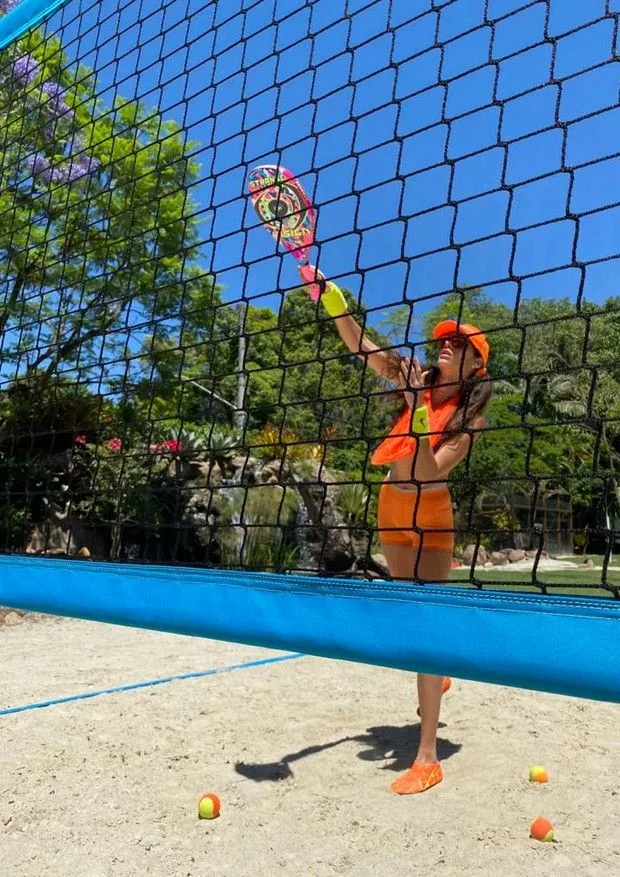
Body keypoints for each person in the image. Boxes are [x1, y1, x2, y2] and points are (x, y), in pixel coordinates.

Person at [298, 264, 492, 794]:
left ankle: (427, 755)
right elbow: (363, 349)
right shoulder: (413, 377)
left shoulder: (469, 413)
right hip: (392, 508)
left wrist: (417, 410)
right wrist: (332, 300)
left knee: (427, 625)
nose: (445, 346)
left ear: (476, 364)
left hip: (431, 513)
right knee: (410, 617)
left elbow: (432, 470)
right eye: (444, 341)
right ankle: (438, 671)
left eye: (458, 343)